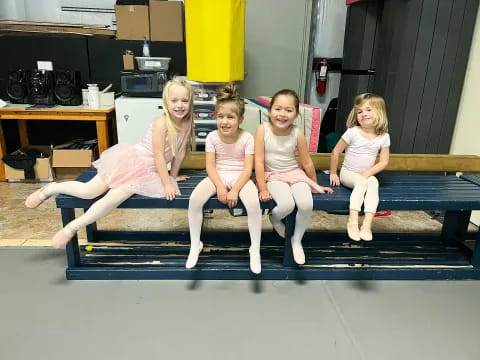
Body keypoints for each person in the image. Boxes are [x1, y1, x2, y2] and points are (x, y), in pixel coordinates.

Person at [25, 77, 195, 248]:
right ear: (166, 101)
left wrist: (172, 177)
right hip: (132, 162)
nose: (179, 105)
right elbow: (159, 156)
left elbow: (179, 153)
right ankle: (50, 189)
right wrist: (167, 184)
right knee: (89, 191)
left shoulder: (187, 122)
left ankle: (71, 228)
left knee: (115, 197)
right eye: (174, 100)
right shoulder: (161, 123)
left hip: (147, 173)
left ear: (190, 102)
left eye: (184, 101)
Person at [186, 83, 262, 274]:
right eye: (220, 116)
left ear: (241, 119)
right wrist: (220, 186)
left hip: (240, 176)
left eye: (230, 117)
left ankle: (255, 249)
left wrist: (235, 189)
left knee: (253, 204)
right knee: (195, 200)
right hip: (217, 175)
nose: (225, 121)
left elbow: (247, 169)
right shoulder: (212, 137)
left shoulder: (247, 138)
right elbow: (210, 166)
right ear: (215, 117)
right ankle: (195, 244)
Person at [255, 89, 333, 265]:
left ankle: (296, 240)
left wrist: (315, 184)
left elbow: (306, 162)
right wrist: (263, 188)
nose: (282, 114)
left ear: (296, 114)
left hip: (294, 173)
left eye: (289, 110)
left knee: (306, 204)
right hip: (273, 175)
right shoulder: (263, 130)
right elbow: (258, 162)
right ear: (270, 110)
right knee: (287, 204)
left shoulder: (297, 133)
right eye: (278, 109)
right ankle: (274, 218)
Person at [329, 93, 390, 241]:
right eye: (360, 111)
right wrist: (333, 173)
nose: (363, 114)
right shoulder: (353, 132)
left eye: (369, 110)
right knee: (363, 182)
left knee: (373, 182)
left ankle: (367, 225)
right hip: (348, 173)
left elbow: (383, 162)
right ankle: (353, 221)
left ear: (380, 112)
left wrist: (367, 173)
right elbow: (335, 152)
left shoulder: (384, 136)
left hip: (365, 174)